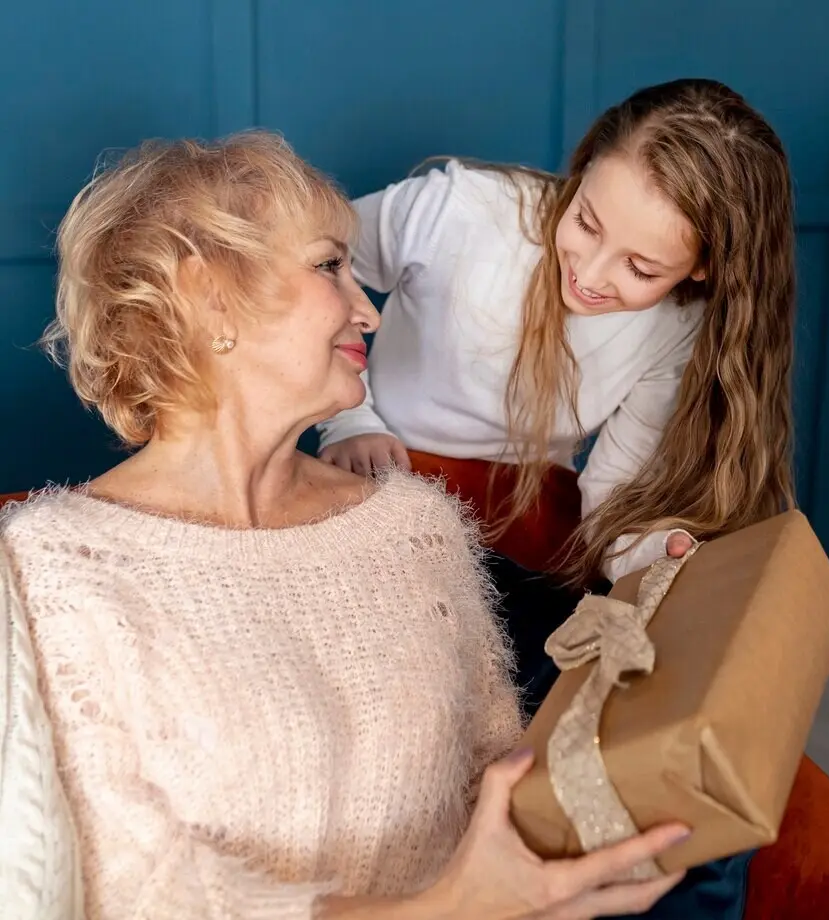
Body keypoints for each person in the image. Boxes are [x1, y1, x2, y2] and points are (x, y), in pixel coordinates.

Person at [0, 131, 693, 920]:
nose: (368, 308)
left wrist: (709, 649)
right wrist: (448, 909)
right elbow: (132, 885)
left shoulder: (414, 524)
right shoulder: (53, 568)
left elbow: (500, 781)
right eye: (331, 265)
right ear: (210, 293)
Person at [314, 78, 799, 589]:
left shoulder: (679, 327)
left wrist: (664, 557)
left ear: (703, 268)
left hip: (525, 509)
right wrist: (349, 422)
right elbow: (301, 283)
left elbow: (613, 495)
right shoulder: (460, 211)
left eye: (640, 268)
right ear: (585, 166)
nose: (588, 277)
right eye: (587, 224)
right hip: (380, 473)